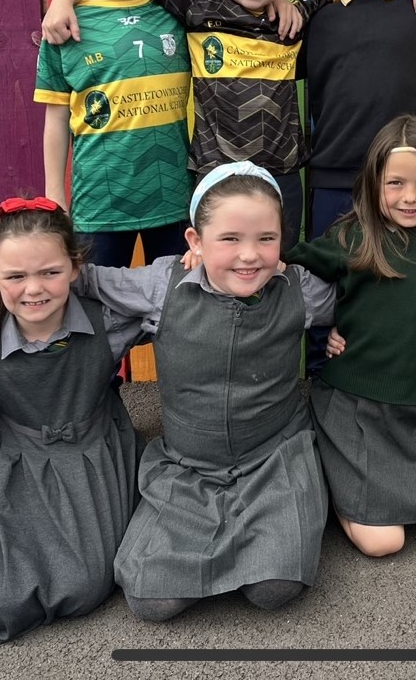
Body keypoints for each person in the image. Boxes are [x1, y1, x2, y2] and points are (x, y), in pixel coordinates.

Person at [44, 0, 416, 252]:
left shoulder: (297, 16)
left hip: (282, 172)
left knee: (282, 265)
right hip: (215, 170)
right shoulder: (196, 5)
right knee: (219, 267)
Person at [70, 163, 335, 619]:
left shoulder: (300, 289)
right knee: (151, 600)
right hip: (189, 463)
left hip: (275, 455)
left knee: (275, 588)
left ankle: (267, 531)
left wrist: (345, 330)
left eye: (266, 239)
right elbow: (79, 278)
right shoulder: (163, 284)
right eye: (229, 239)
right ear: (195, 240)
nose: (249, 255)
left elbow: (364, 295)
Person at [0, 198, 146, 652]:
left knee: (87, 585)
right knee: (10, 592)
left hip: (95, 450)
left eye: (50, 272)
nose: (34, 289)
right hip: (20, 460)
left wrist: (199, 262)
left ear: (76, 267)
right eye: (15, 277)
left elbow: (173, 301)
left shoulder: (109, 322)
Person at [287, 116, 416, 557]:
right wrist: (330, 325)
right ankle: (334, 475)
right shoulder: (352, 238)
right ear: (373, 182)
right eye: (395, 183)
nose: (409, 197)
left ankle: (384, 487)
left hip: (415, 410)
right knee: (383, 542)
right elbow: (290, 267)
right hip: (354, 407)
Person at [299, 0, 416, 375]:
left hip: (405, 180)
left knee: (403, 279)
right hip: (333, 175)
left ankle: (397, 379)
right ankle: (322, 379)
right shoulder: (316, 15)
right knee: (325, 281)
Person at [35, 0, 194, 267]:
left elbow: (240, 1)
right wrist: (55, 195)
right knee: (97, 302)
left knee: (177, 300)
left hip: (174, 199)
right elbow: (56, 119)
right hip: (99, 205)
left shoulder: (178, 12)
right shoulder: (65, 27)